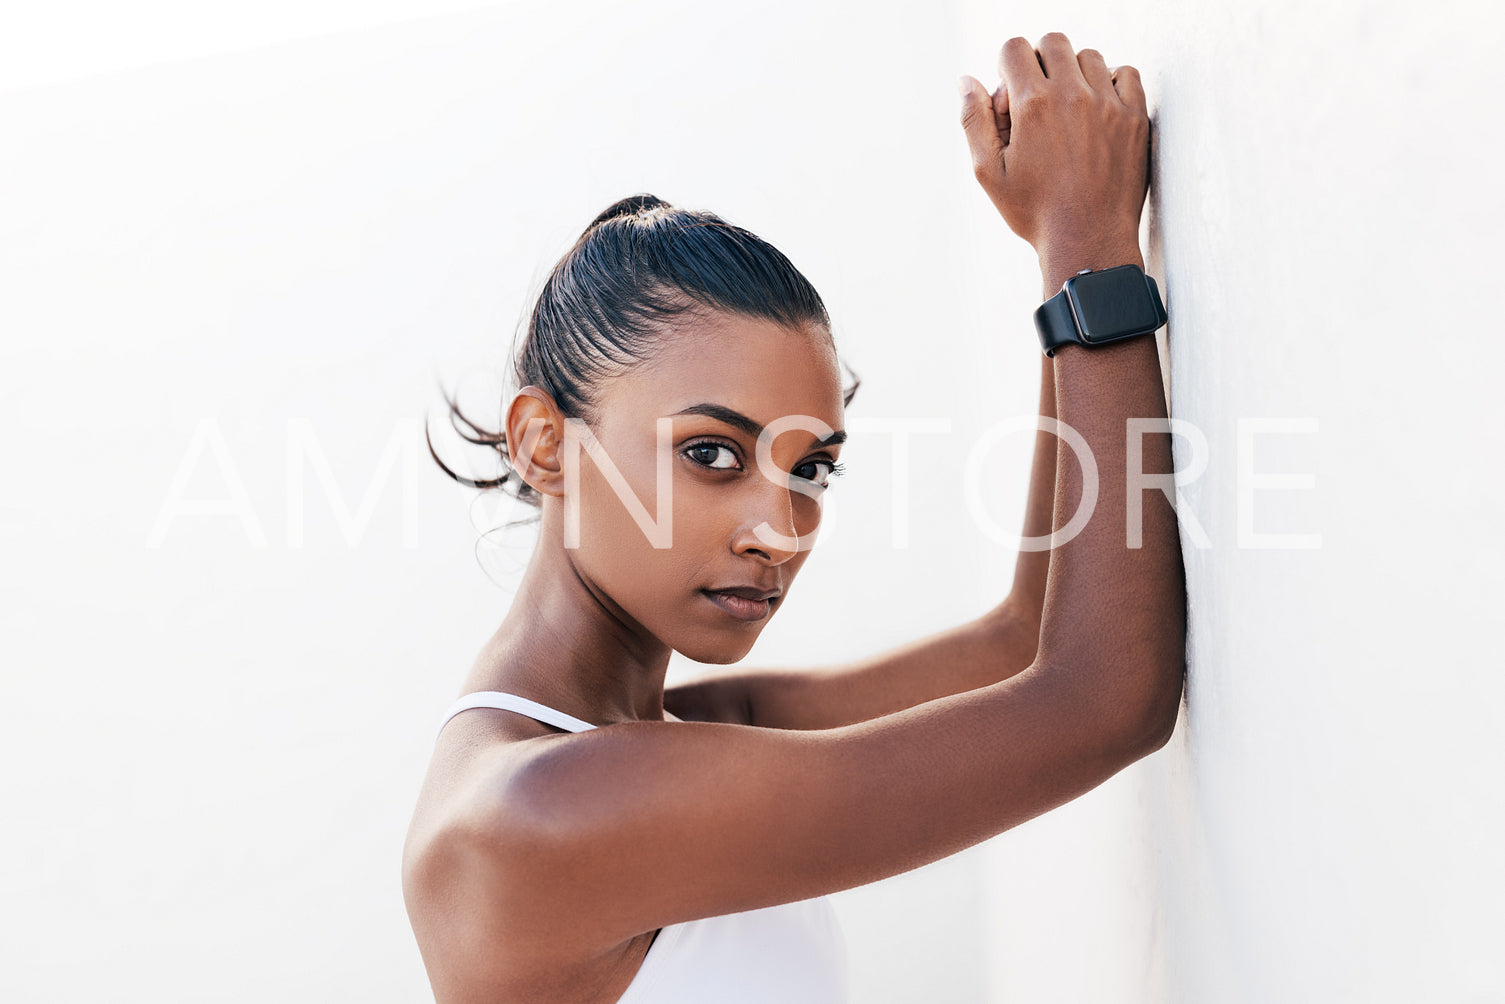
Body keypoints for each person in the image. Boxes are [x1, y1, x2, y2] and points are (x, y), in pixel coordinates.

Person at [403, 30, 1186, 1003]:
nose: (779, 528)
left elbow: (1030, 640)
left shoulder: (667, 733)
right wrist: (1087, 245)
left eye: (809, 467)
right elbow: (1101, 698)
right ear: (543, 443)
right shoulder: (538, 811)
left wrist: (1057, 263)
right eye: (711, 454)